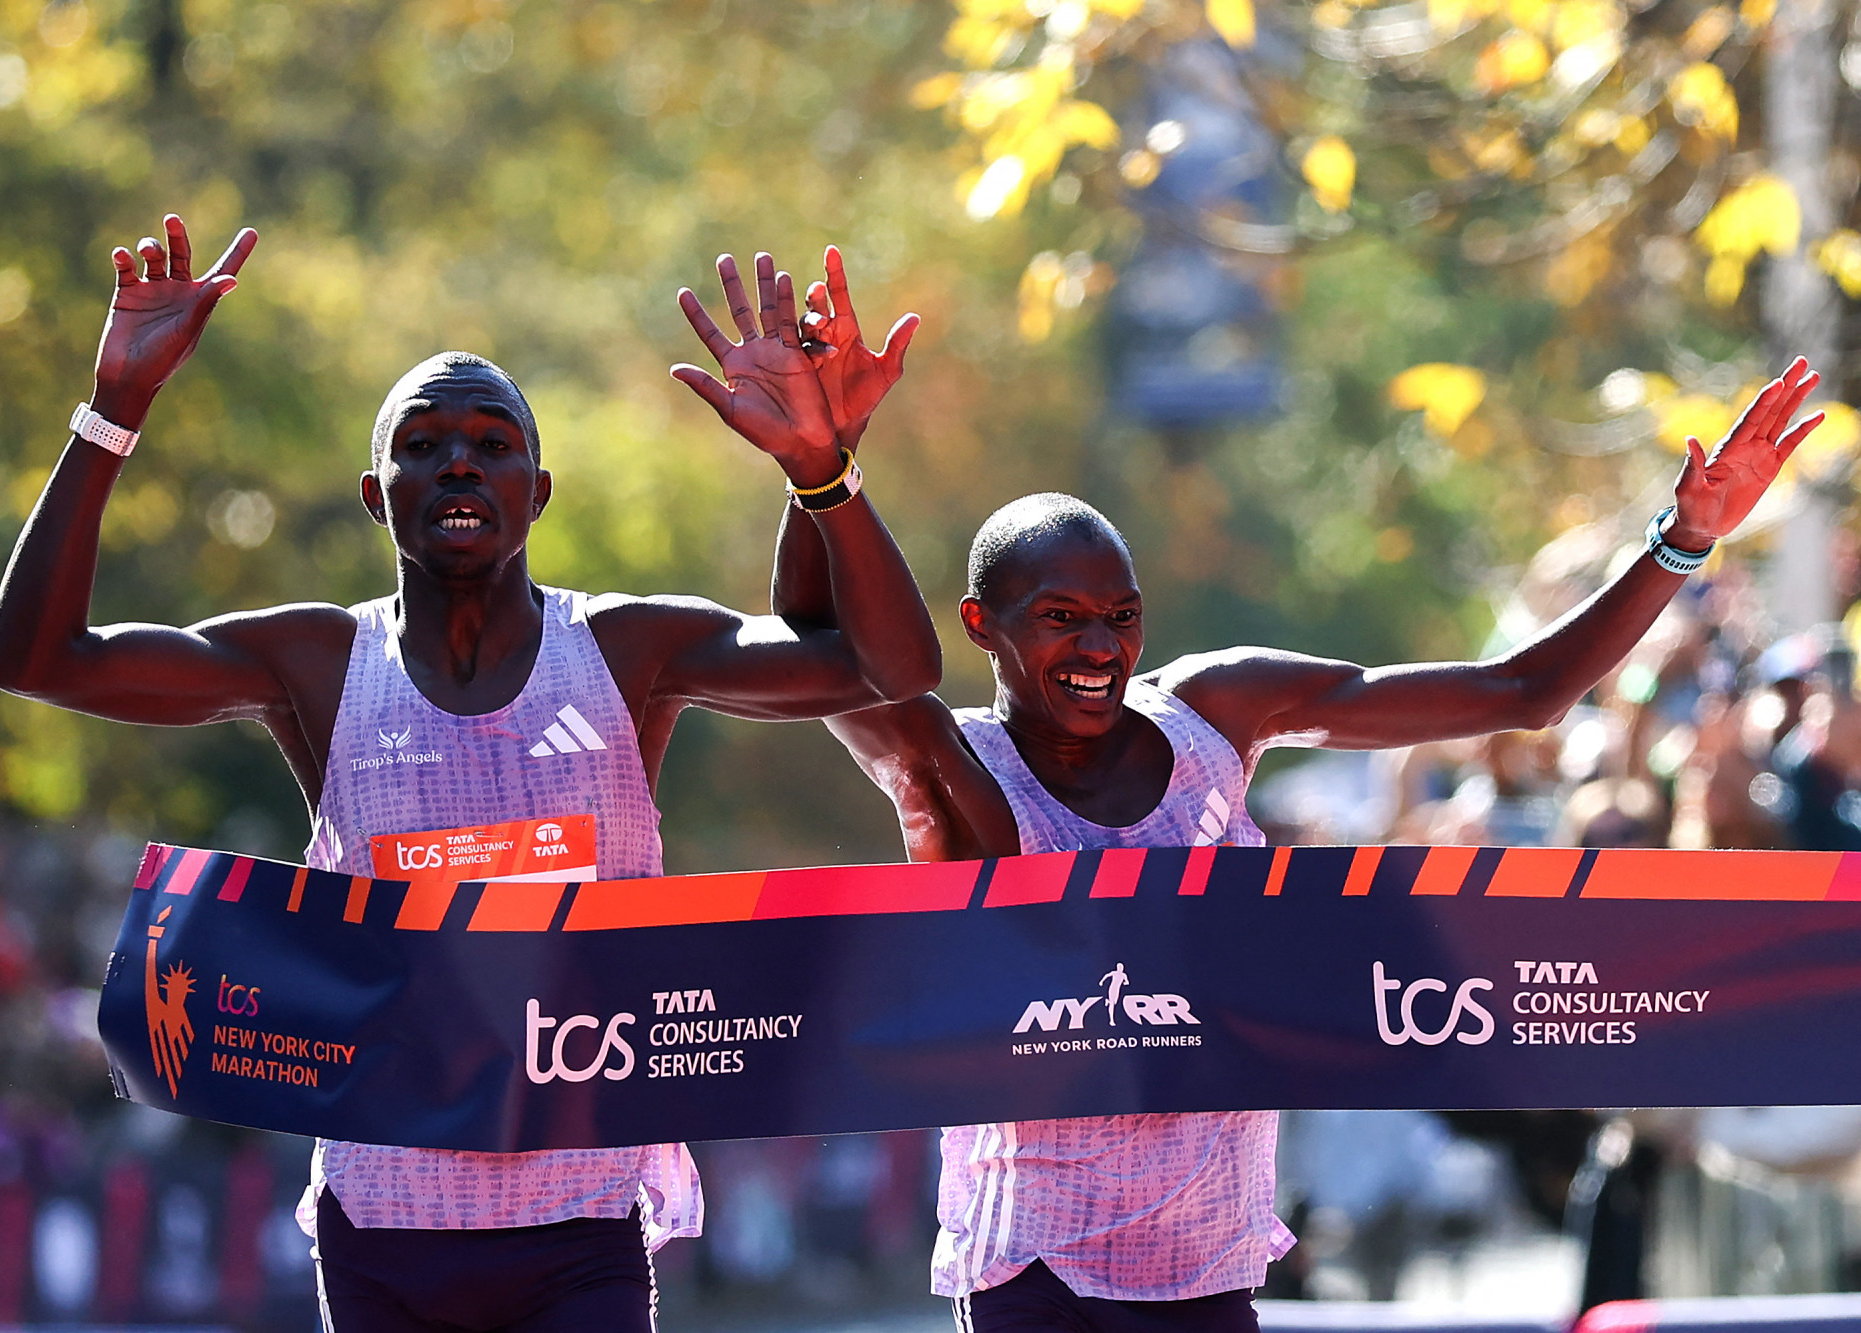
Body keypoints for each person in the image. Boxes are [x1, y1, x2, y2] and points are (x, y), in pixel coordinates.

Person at [777, 295, 1821, 1330]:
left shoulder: (1214, 717)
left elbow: (1518, 694)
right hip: (1034, 1274)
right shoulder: (954, 771)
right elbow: (825, 648)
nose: (1098, 647)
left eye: (1120, 617)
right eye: (1058, 619)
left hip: (1207, 1269)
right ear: (981, 626)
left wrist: (1682, 539)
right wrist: (820, 471)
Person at [0, 216, 942, 1333]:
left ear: (537, 491)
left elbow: (889, 665)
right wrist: (116, 409)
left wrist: (819, 473)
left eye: (492, 441)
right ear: (376, 495)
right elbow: (34, 658)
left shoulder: (629, 654)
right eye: (424, 444)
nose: (459, 462)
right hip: (385, 1221)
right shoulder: (315, 664)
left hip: (579, 1218)